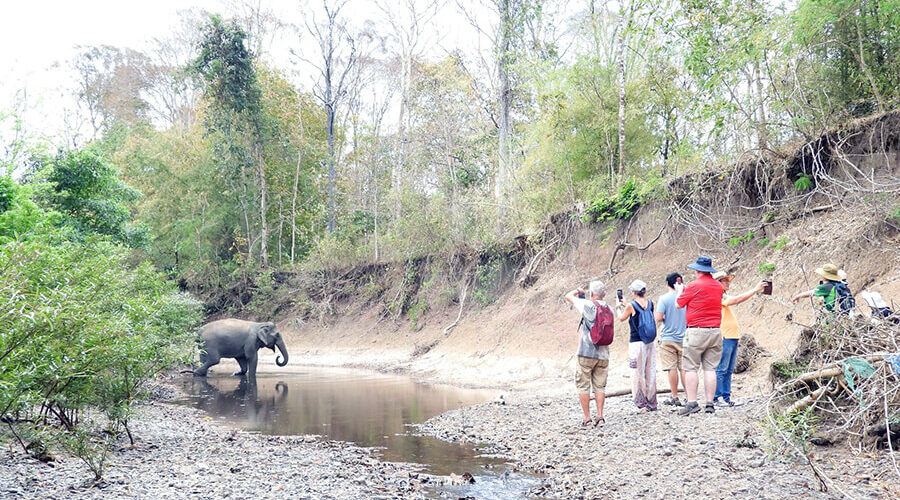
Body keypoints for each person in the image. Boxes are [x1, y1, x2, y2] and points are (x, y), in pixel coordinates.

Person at [675, 256, 724, 415]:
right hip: (715, 330)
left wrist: (679, 292)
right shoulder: (718, 286)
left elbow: (678, 304)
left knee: (690, 367)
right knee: (710, 368)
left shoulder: (693, 285)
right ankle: (709, 403)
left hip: (696, 330)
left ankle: (692, 402)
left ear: (697, 270)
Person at [711, 272, 766, 407]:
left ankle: (726, 397)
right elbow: (736, 300)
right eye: (724, 281)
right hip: (725, 336)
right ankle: (717, 398)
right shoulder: (717, 296)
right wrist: (755, 289)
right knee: (722, 368)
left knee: (729, 369)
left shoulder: (723, 296)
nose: (727, 283)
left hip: (732, 336)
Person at [564, 281, 611, 427]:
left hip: (586, 352)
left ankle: (587, 418)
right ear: (604, 294)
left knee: (583, 385)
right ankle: (600, 417)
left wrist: (578, 291)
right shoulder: (609, 308)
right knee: (600, 386)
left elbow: (568, 296)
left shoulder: (586, 305)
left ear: (591, 294)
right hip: (603, 354)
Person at [616, 279, 658, 412]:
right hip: (649, 342)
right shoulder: (650, 303)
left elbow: (622, 318)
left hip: (636, 342)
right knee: (649, 370)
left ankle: (641, 403)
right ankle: (652, 401)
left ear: (634, 292)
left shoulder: (631, 306)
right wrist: (627, 304)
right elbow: (641, 311)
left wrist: (618, 307)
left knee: (637, 372)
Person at [655, 273, 687, 406]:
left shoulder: (664, 299)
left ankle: (675, 397)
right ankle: (689, 395)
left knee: (671, 368)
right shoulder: (686, 297)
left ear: (667, 283)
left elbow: (658, 317)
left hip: (668, 337)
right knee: (684, 368)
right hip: (685, 337)